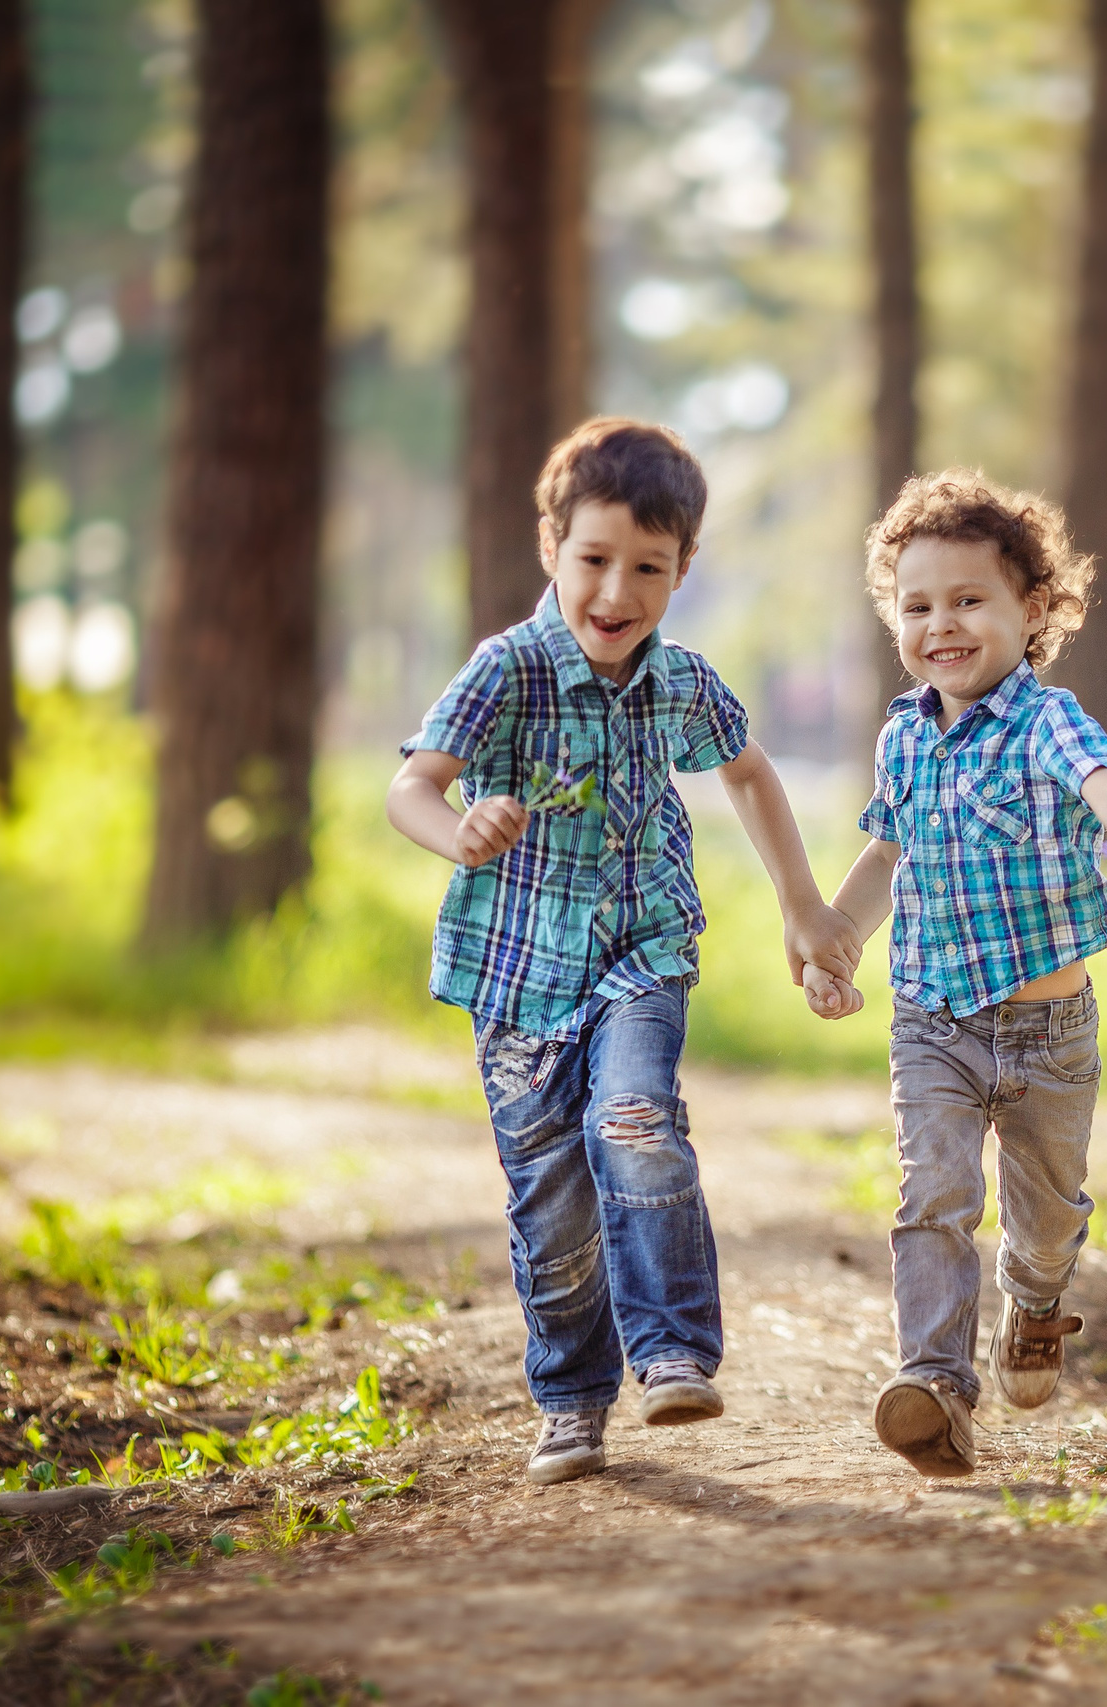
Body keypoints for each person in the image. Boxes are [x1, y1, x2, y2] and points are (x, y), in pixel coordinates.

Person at [387, 418, 861, 1486]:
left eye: (647, 568)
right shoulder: (504, 671)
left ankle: (673, 1352)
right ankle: (570, 1397)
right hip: (516, 981)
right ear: (552, 546)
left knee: (634, 1119)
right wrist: (453, 829)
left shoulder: (679, 681)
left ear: (683, 570)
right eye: (594, 559)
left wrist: (801, 906)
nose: (617, 591)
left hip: (643, 953)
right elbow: (410, 785)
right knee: (550, 1199)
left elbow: (747, 772)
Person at [803, 469, 1107, 1477]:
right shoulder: (901, 738)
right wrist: (836, 935)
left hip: (1048, 1032)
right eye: (916, 605)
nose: (942, 624)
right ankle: (934, 1389)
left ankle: (1040, 1302)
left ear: (1033, 611)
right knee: (933, 1195)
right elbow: (886, 854)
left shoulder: (1045, 723)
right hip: (933, 1023)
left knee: (1047, 1218)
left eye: (969, 599)